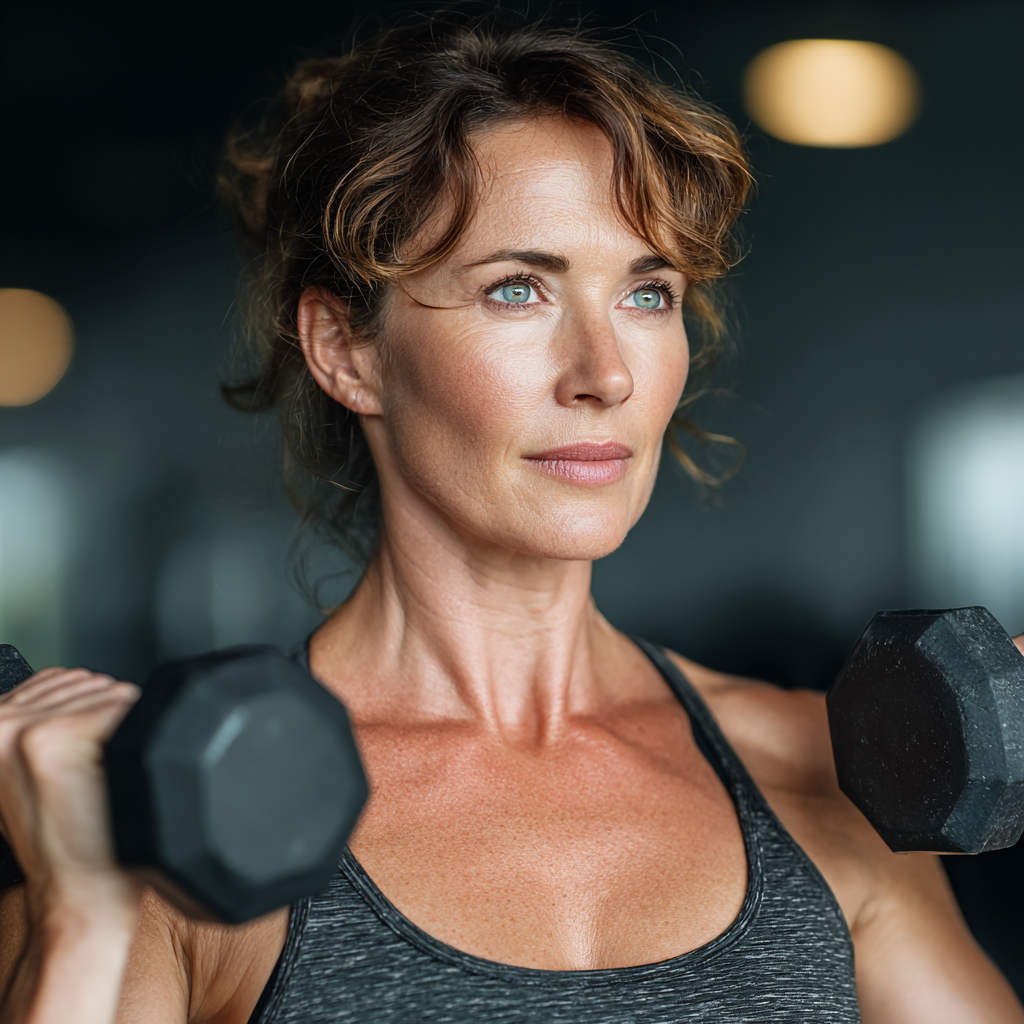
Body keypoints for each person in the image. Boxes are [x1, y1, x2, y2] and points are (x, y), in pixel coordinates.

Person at [1, 17, 1022, 1024]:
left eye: (648, 294)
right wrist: (79, 917)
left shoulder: (815, 775)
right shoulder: (187, 820)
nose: (605, 374)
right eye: (518, 289)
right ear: (345, 350)